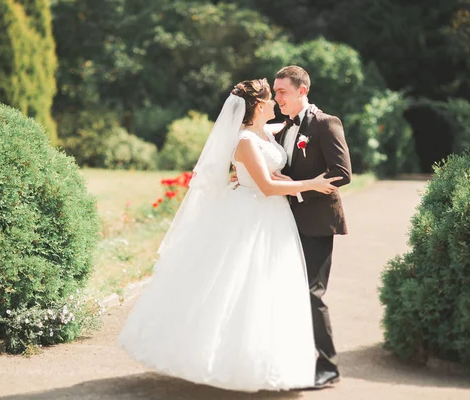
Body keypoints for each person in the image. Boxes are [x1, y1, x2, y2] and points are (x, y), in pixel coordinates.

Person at [118, 78, 341, 392]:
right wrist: (310, 184)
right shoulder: (246, 141)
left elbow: (294, 129)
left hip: (273, 218)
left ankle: (271, 362)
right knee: (241, 287)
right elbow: (266, 186)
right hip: (254, 214)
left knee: (270, 289)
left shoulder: (266, 131)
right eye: (271, 98)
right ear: (260, 105)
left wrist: (310, 113)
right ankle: (233, 362)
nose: (277, 102)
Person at [272, 65, 352, 388]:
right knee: (290, 292)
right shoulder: (282, 128)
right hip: (287, 222)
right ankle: (300, 358)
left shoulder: (325, 124)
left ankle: (329, 366)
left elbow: (342, 173)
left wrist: (298, 185)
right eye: (275, 92)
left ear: (302, 91)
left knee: (311, 294)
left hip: (318, 223)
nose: (277, 98)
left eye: (282, 92)